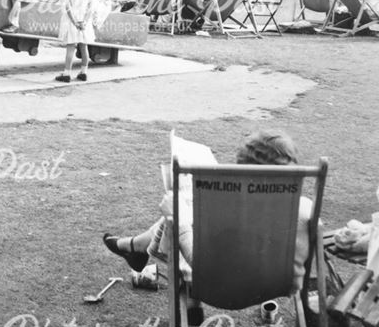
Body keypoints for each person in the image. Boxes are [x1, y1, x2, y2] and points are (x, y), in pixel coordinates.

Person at [101, 130, 313, 316]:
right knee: (186, 213)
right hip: (278, 287)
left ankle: (142, 254)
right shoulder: (305, 209)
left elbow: (201, 264)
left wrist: (179, 223)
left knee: (178, 218)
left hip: (219, 292)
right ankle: (134, 247)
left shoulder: (229, 213)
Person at [55, 0, 105, 83]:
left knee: (70, 47)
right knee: (84, 47)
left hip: (72, 23)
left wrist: (75, 22)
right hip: (84, 23)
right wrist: (84, 22)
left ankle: (67, 72)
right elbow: (90, 9)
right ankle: (84, 72)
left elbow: (68, 9)